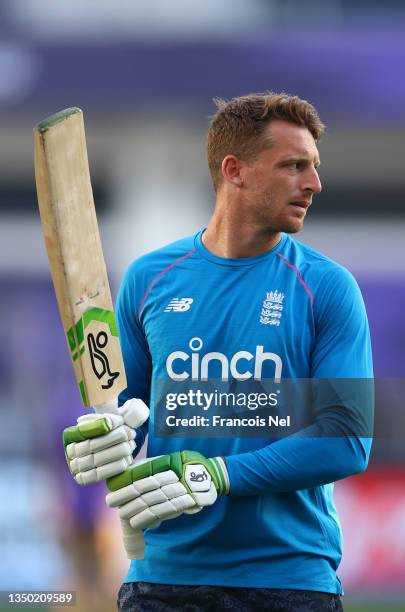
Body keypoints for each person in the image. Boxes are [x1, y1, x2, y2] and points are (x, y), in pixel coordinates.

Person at [64, 92, 373, 611]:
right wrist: (103, 439)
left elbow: (346, 439)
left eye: (314, 167)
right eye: (294, 166)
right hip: (161, 583)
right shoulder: (148, 278)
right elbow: (126, 412)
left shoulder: (328, 287)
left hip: (290, 584)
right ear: (235, 170)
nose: (314, 184)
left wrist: (219, 475)